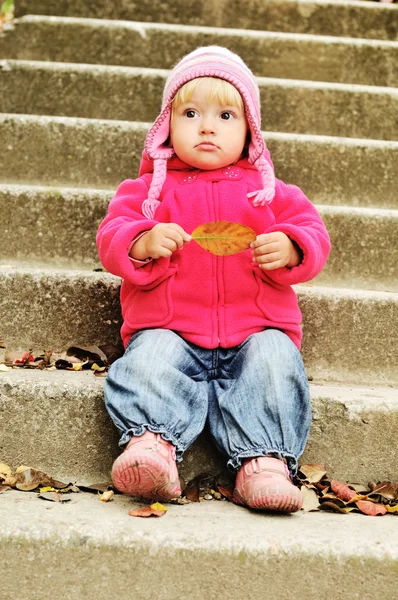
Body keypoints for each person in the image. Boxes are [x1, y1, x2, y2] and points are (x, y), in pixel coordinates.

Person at [96, 46, 330, 513]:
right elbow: (112, 235)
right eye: (190, 113)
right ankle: (151, 445)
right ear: (167, 126)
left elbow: (314, 234)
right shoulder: (145, 193)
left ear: (249, 133)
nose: (207, 126)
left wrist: (292, 246)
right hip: (171, 329)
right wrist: (142, 241)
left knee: (274, 364)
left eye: (225, 114)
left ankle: (263, 461)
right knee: (148, 362)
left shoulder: (272, 195)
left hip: (255, 330)